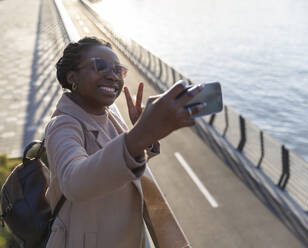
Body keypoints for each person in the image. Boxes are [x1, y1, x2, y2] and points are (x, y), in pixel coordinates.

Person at [44, 36, 205, 248]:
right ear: (72, 76)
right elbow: (74, 182)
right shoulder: (62, 126)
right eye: (100, 66)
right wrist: (141, 133)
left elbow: (121, 164)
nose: (113, 76)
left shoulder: (110, 114)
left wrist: (146, 138)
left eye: (118, 70)